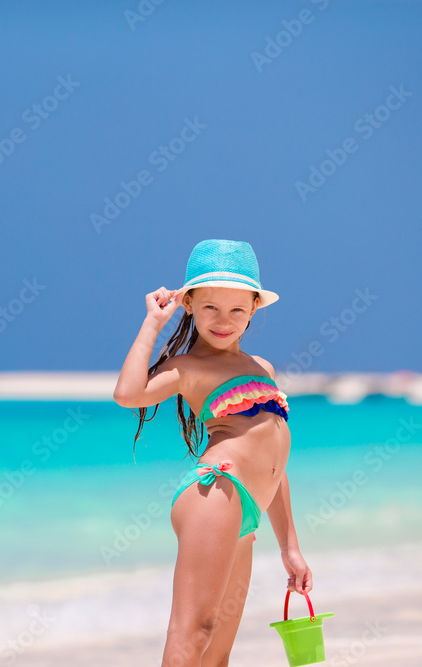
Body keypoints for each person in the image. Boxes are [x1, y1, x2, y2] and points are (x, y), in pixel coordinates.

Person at [113, 239, 313, 666]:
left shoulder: (264, 368)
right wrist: (153, 323)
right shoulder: (189, 368)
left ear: (255, 308)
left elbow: (275, 468)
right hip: (215, 494)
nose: (224, 321)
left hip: (246, 512)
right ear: (189, 305)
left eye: (237, 310)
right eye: (210, 308)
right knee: (193, 633)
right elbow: (129, 394)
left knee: (218, 652)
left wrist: (289, 547)